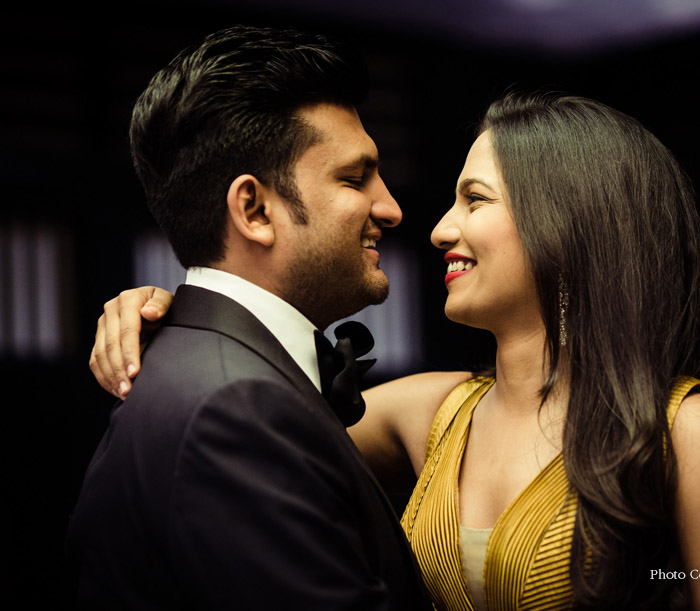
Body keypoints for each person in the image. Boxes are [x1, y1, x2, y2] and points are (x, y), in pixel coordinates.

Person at [90, 93, 700, 610]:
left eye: (474, 200)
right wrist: (184, 312)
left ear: (569, 225)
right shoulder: (433, 411)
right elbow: (244, 424)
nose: (439, 229)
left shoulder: (688, 434)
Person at [67, 25, 431, 610]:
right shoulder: (236, 408)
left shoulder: (203, 364)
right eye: (354, 178)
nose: (390, 208)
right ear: (255, 210)